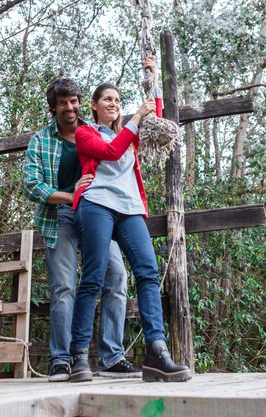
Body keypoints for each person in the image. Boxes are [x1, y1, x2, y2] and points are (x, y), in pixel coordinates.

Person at [68, 57, 192, 383]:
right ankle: (79, 355)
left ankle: (157, 353)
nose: (114, 103)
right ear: (93, 106)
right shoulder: (85, 133)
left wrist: (151, 75)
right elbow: (109, 153)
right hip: (96, 204)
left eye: (118, 100)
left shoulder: (130, 132)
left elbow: (157, 125)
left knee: (148, 272)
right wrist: (134, 117)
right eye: (107, 99)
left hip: (130, 208)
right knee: (94, 277)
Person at [23, 78, 141, 381]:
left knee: (116, 276)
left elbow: (120, 155)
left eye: (74, 100)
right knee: (64, 287)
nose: (70, 107)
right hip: (60, 215)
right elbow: (31, 183)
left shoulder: (96, 132)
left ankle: (111, 357)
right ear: (54, 108)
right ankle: (61, 360)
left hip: (99, 213)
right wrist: (70, 195)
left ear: (81, 102)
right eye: (63, 103)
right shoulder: (41, 140)